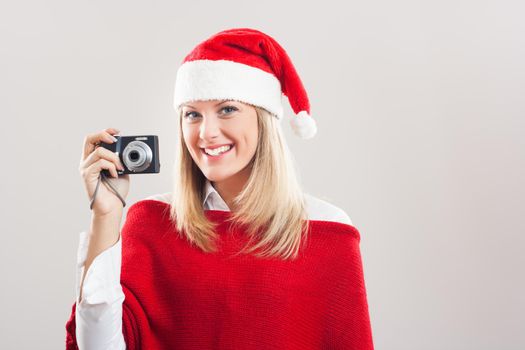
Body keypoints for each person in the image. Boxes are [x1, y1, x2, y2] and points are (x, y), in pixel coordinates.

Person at [65, 28, 374, 350]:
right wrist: (106, 216)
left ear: (263, 120)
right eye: (192, 115)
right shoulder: (151, 223)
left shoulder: (327, 229)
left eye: (227, 109)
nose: (206, 132)